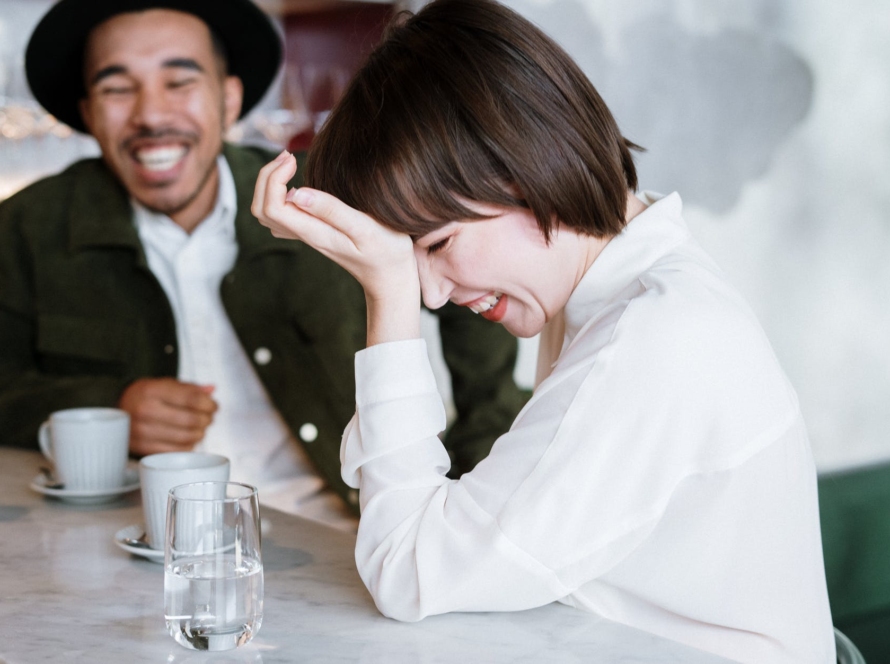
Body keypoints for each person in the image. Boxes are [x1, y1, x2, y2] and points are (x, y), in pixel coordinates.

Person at [252, 0, 836, 660]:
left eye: (438, 244)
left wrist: (386, 293)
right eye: (409, 263)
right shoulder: (619, 297)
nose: (432, 294)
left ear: (526, 168)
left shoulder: (653, 340)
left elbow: (406, 568)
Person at [0, 0, 528, 526]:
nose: (151, 115)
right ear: (88, 112)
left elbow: (468, 288)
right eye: (117, 89)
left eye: (179, 82)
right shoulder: (25, 228)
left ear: (229, 99)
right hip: (134, 541)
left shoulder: (331, 196)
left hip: (343, 534)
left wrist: (470, 483)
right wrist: (109, 408)